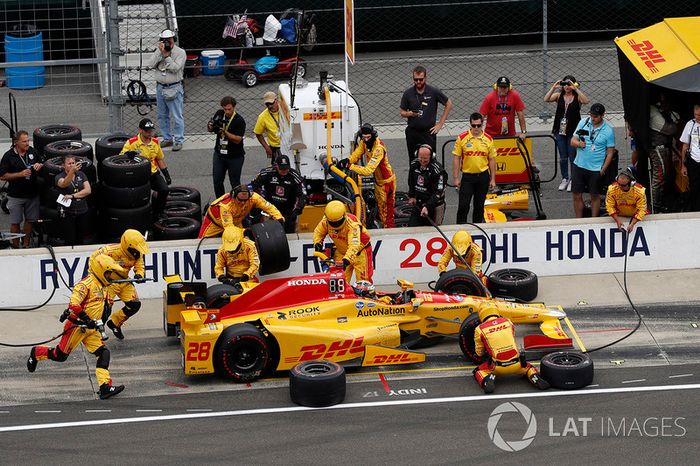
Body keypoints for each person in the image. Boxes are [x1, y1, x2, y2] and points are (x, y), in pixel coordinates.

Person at [27, 254, 126, 400]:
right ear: (100, 270)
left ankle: (105, 386)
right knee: (60, 356)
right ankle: (36, 352)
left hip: (92, 330)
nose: (110, 276)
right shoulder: (85, 285)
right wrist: (87, 319)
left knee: (104, 353)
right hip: (77, 327)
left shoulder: (104, 285)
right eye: (108, 272)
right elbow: (73, 304)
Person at [88, 229, 150, 340]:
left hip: (124, 281)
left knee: (134, 305)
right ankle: (95, 335)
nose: (136, 252)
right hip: (109, 284)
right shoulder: (109, 251)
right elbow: (93, 259)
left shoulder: (138, 253)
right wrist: (97, 277)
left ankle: (115, 323)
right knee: (105, 310)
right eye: (134, 249)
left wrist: (139, 275)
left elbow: (139, 266)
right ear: (127, 245)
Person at [472, 306, 550, 394]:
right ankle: (534, 377)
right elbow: (511, 336)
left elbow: (479, 353)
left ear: (482, 314)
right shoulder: (507, 321)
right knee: (528, 368)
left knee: (478, 371)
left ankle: (487, 380)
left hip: (497, 367)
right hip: (517, 364)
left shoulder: (480, 329)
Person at [338, 123, 396, 228]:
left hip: (386, 183)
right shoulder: (364, 142)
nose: (366, 140)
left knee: (387, 214)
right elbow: (356, 154)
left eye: (368, 137)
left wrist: (350, 166)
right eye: (364, 137)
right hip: (378, 182)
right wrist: (347, 160)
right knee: (381, 209)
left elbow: (368, 170)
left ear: (373, 135)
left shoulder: (379, 149)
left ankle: (389, 232)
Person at [544, 75, 590, 191]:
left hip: (573, 130)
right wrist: (554, 87)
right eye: (565, 84)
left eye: (569, 84)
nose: (567, 87)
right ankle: (565, 178)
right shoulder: (559, 96)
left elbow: (586, 101)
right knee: (563, 156)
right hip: (560, 130)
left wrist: (576, 88)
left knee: (572, 156)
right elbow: (546, 99)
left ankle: (573, 179)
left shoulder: (577, 97)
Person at [570, 103, 616, 218]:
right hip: (579, 165)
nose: (593, 118)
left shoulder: (608, 131)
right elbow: (573, 140)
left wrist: (603, 169)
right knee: (576, 194)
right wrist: (578, 144)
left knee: (594, 196)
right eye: (592, 115)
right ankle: (578, 221)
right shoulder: (584, 123)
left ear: (602, 115)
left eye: (596, 116)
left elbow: (610, 153)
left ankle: (594, 220)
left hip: (595, 168)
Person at [399, 65, 453, 163]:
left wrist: (440, 124)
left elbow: (449, 104)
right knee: (414, 160)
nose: (418, 82)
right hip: (413, 132)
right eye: (416, 80)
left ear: (425, 78)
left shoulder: (433, 91)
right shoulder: (408, 93)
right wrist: (409, 113)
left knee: (430, 159)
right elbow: (402, 112)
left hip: (428, 133)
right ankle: (413, 177)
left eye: (421, 79)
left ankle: (431, 178)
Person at [121, 118, 172, 219]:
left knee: (164, 190)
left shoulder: (155, 142)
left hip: (152, 173)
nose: (149, 133)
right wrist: (128, 154)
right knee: (143, 196)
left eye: (151, 131)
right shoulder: (132, 142)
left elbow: (160, 159)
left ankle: (158, 212)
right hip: (138, 175)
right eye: (147, 131)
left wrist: (166, 175)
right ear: (140, 130)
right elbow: (120, 157)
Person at [0, 130, 43, 248]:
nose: (27, 143)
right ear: (16, 142)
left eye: (28, 140)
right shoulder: (8, 156)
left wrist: (40, 165)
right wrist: (20, 174)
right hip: (15, 196)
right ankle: (15, 247)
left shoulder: (32, 152)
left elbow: (41, 163)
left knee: (30, 220)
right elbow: (2, 176)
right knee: (15, 222)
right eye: (24, 141)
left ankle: (25, 245)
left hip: (32, 194)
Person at [313, 200, 373, 283]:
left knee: (364, 283)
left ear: (344, 216)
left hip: (360, 253)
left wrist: (346, 260)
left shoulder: (353, 225)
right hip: (341, 252)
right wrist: (317, 243)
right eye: (332, 223)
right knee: (338, 281)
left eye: (338, 222)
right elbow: (318, 233)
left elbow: (354, 245)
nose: (336, 225)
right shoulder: (325, 221)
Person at [452, 112, 497, 224]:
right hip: (467, 177)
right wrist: (456, 178)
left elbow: (492, 160)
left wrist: (493, 179)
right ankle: (460, 229)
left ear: (482, 124)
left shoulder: (488, 139)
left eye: (478, 125)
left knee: (479, 207)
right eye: (473, 125)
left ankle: (477, 229)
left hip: (483, 177)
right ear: (470, 124)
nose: (476, 128)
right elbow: (456, 158)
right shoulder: (462, 138)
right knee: (463, 206)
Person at [147, 29, 186, 151]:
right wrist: (160, 52)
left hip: (174, 87)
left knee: (176, 115)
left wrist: (167, 57)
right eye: (164, 40)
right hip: (160, 87)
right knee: (162, 115)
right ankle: (167, 138)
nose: (167, 42)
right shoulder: (159, 51)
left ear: (173, 39)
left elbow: (175, 68)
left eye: (168, 40)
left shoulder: (180, 53)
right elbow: (150, 64)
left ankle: (178, 140)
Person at [199, 184, 284, 238]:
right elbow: (229, 229)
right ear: (234, 196)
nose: (243, 203)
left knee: (243, 242)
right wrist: (245, 231)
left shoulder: (254, 198)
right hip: (214, 223)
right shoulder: (226, 206)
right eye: (240, 200)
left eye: (245, 200)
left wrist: (279, 218)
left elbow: (269, 207)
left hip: (236, 222)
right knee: (200, 243)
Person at [251, 154, 306, 233]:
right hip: (270, 209)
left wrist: (297, 210)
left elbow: (302, 195)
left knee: (289, 234)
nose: (284, 171)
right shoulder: (266, 173)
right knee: (269, 233)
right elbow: (255, 185)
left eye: (286, 169)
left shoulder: (295, 176)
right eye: (281, 169)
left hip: (289, 210)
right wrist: (261, 201)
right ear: (276, 166)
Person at [648, 93, 680, 212]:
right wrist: (674, 123)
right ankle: (655, 206)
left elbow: (676, 117)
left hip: (666, 148)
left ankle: (662, 202)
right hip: (657, 148)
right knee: (659, 177)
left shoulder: (663, 110)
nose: (663, 100)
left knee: (667, 176)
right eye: (661, 98)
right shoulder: (652, 110)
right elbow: (669, 129)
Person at [209, 96, 246, 198]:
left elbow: (238, 140)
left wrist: (225, 132)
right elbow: (210, 129)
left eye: (229, 109)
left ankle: (236, 203)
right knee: (217, 181)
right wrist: (211, 125)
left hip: (235, 157)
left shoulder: (239, 120)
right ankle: (221, 202)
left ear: (234, 107)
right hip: (219, 154)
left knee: (235, 183)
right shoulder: (219, 114)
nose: (227, 111)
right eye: (225, 109)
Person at [55, 154, 91, 246]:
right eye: (69, 163)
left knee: (80, 238)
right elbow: (64, 184)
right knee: (69, 239)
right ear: (63, 165)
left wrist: (72, 196)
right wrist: (71, 172)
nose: (72, 165)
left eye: (73, 163)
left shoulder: (81, 174)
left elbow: (88, 190)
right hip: (68, 212)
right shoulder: (59, 176)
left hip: (82, 211)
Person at [407, 144, 446, 226]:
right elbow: (411, 181)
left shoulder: (438, 170)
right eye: (420, 158)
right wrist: (412, 195)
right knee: (412, 228)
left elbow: (438, 192)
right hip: (419, 203)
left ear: (431, 157)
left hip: (434, 205)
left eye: (425, 159)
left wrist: (427, 206)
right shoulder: (414, 165)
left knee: (432, 231)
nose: (422, 161)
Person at [479, 76, 527, 141]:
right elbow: (482, 115)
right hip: (491, 135)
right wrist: (479, 132)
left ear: (509, 87)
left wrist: (523, 132)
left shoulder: (515, 96)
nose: (502, 89)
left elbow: (520, 113)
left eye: (505, 87)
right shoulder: (489, 97)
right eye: (500, 87)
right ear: (496, 87)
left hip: (510, 135)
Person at [605, 168, 647, 234]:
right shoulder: (612, 189)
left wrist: (632, 223)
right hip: (619, 215)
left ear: (631, 184)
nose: (620, 187)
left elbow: (642, 209)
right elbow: (609, 206)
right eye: (618, 184)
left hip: (634, 215)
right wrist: (617, 220)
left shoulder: (640, 191)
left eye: (623, 185)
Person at [680, 104, 700, 212]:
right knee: (694, 187)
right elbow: (685, 146)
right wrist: (683, 165)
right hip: (693, 160)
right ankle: (696, 210)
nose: (697, 117)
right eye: (696, 115)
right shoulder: (690, 124)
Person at [253, 91, 282, 164]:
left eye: (271, 103)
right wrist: (266, 147)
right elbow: (258, 133)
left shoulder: (285, 109)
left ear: (276, 100)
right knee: (277, 169)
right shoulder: (262, 117)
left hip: (289, 145)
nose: (269, 106)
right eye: (267, 104)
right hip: (276, 147)